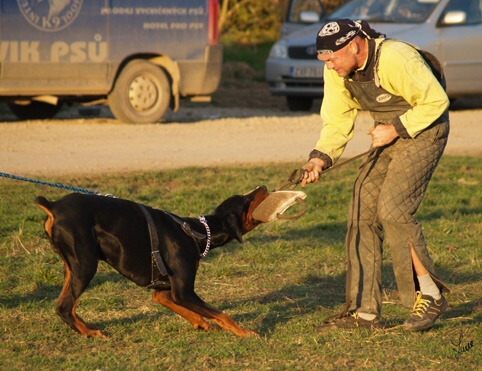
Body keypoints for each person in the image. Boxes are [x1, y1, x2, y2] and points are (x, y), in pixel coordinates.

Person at [301, 19, 450, 331]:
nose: (328, 66)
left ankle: (431, 295)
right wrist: (319, 159)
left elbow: (436, 101)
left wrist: (395, 128)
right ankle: (365, 313)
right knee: (361, 213)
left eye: (332, 58)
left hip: (424, 131)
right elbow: (337, 119)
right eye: (323, 60)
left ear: (355, 45)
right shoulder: (337, 72)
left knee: (394, 210)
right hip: (387, 134)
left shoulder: (395, 57)